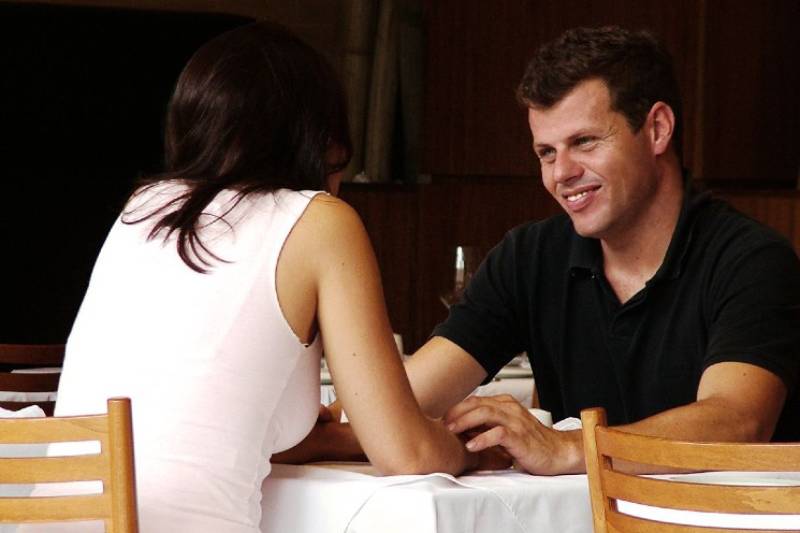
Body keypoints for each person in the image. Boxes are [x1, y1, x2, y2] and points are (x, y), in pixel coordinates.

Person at [35, 21, 476, 533]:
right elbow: (407, 453)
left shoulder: (142, 210)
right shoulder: (320, 221)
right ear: (319, 137)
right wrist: (462, 447)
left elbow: (213, 410)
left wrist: (346, 435)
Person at [319, 25, 800, 475]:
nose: (560, 173)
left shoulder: (752, 261)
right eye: (546, 153)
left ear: (657, 129)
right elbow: (403, 402)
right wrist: (308, 437)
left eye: (584, 142)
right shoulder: (530, 257)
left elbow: (737, 423)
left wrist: (567, 447)